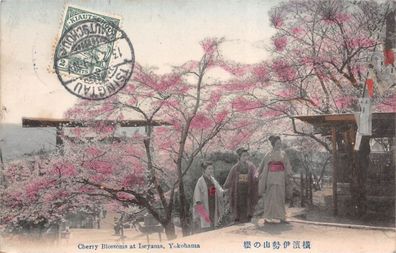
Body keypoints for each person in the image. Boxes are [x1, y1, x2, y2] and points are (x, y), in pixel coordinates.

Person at [254, 135, 293, 225]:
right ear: (273, 144)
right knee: (270, 198)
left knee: (280, 197)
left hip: (280, 177)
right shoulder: (268, 154)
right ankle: (267, 217)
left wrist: (289, 173)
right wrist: (257, 174)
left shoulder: (283, 154)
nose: (279, 145)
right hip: (271, 178)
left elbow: (287, 165)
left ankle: (281, 217)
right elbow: (262, 165)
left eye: (280, 143)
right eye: (277, 143)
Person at [223, 147, 258, 223]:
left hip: (248, 189)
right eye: (244, 156)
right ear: (239, 157)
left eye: (247, 155)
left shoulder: (251, 166)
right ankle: (238, 220)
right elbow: (229, 178)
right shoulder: (235, 168)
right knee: (238, 205)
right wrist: (226, 187)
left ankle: (248, 218)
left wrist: (256, 176)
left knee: (248, 204)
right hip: (238, 190)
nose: (246, 157)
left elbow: (255, 173)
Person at [193, 161, 225, 232]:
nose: (211, 170)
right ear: (204, 170)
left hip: (213, 203)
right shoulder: (200, 181)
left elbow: (219, 190)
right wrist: (200, 207)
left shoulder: (213, 179)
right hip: (204, 205)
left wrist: (223, 192)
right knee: (205, 224)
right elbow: (197, 196)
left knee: (213, 223)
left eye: (212, 169)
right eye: (209, 169)